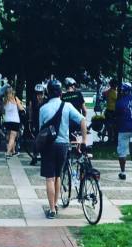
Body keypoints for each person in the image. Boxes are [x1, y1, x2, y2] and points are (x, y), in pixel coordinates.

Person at [39, 79, 87, 218]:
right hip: (63, 145)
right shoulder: (67, 106)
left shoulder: (43, 109)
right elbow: (82, 120)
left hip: (48, 145)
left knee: (49, 178)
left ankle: (52, 209)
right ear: (61, 92)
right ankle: (56, 204)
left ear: (48, 92)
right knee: (58, 175)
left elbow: (41, 130)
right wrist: (83, 140)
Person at [2, 86, 24, 158]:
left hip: (7, 120)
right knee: (13, 137)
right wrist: (20, 104)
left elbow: (4, 111)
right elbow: (21, 108)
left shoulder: (4, 100)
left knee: (9, 137)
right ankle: (8, 153)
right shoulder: (15, 99)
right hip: (15, 121)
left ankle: (13, 151)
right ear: (12, 92)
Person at [28, 83, 46, 166]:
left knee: (45, 140)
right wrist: (30, 120)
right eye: (37, 93)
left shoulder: (46, 100)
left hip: (45, 123)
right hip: (36, 122)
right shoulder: (33, 100)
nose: (39, 95)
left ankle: (44, 156)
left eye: (41, 93)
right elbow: (31, 110)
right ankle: (34, 157)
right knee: (35, 140)